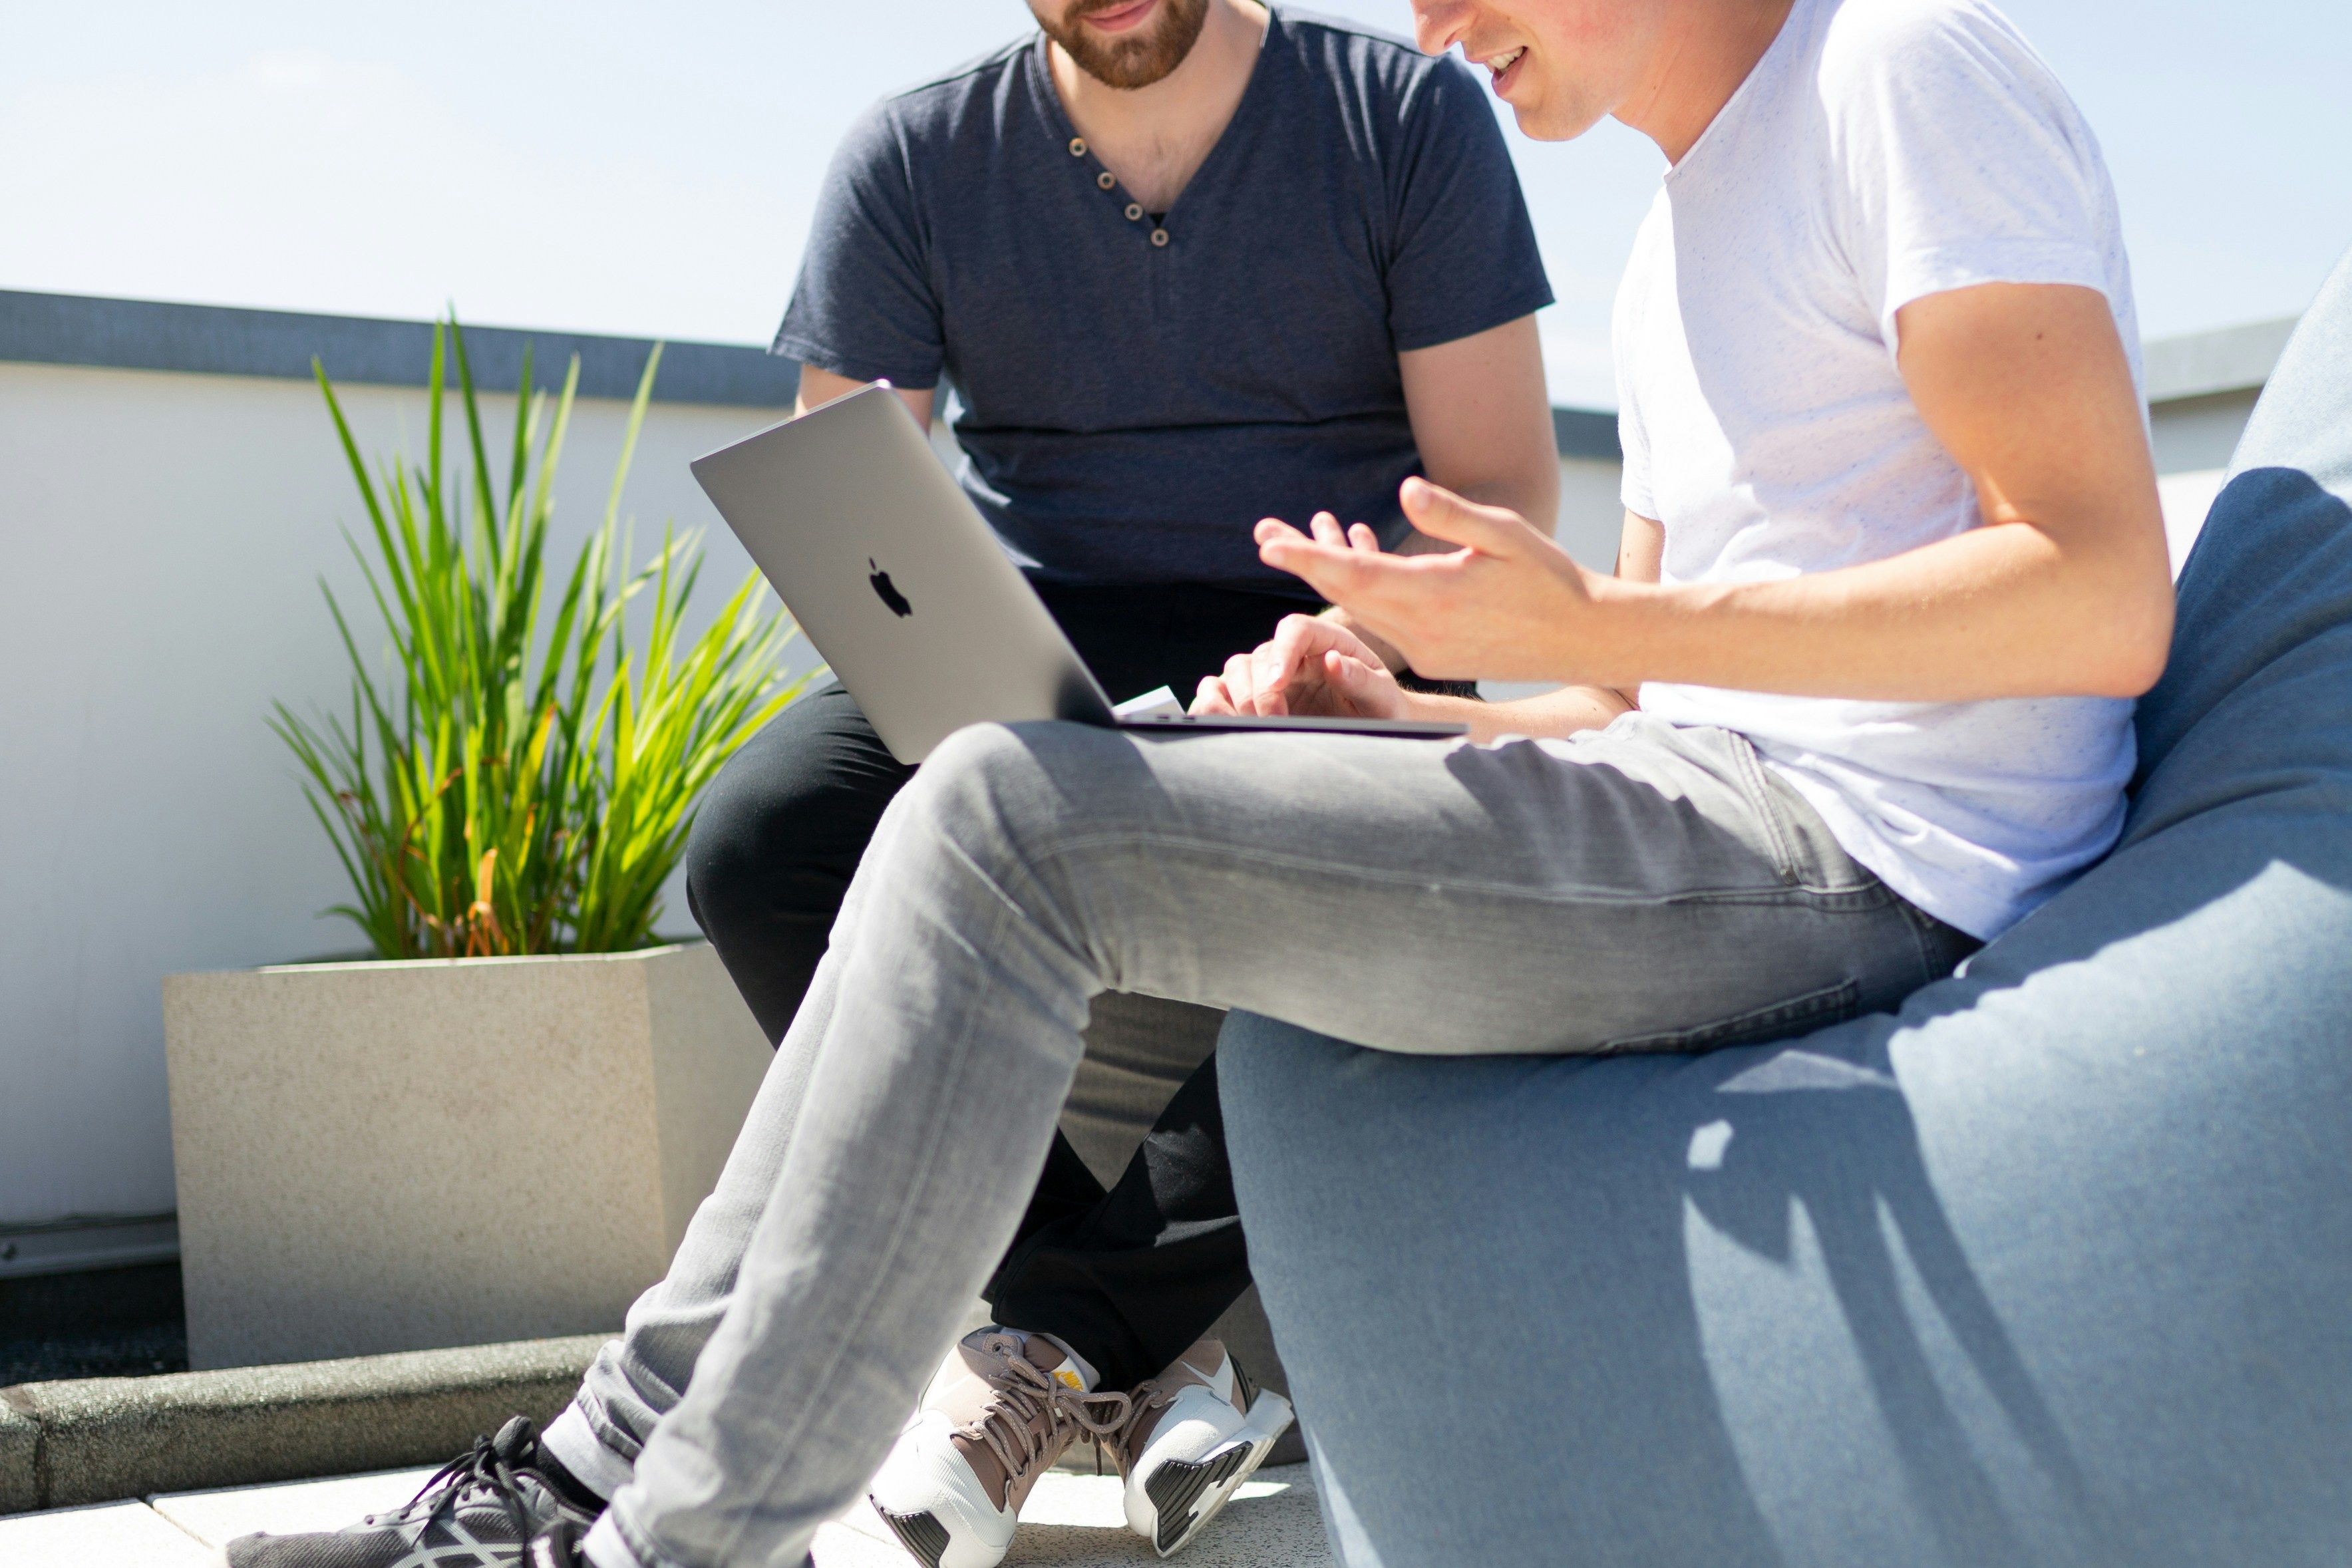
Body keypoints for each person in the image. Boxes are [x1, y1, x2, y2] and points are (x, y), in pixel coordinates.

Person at [223, 0, 2174, 1563]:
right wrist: (1379, 714)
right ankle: (581, 1478)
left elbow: (2100, 592)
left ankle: (673, 1529)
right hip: (1699, 800)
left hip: (1858, 858)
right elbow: (1620, 705)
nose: (1432, 32)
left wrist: (1573, 634)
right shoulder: (1679, 225)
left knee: (1005, 821)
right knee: (979, 790)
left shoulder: (1895, 66)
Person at [220, 2, 1556, 1567]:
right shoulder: (914, 158)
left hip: (1337, 632)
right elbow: (849, 511)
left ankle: (1049, 1343)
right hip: (1048, 637)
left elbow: (1497, 492)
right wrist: (983, 675)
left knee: (1252, 856)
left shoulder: (1401, 119)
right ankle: (1117, 1317)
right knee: (764, 842)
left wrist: (1337, 635)